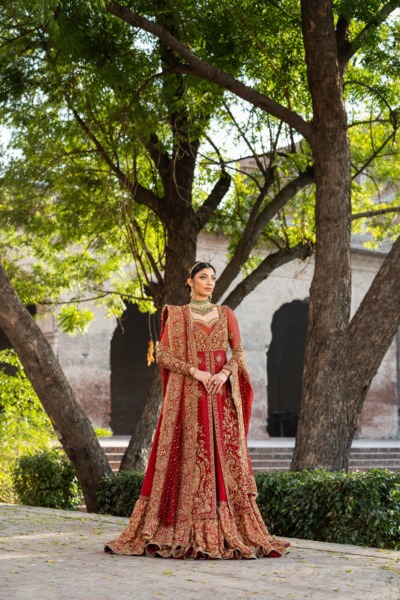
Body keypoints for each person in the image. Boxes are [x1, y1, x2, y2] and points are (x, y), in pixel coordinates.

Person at [105, 261, 289, 559]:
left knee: (220, 459)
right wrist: (196, 372)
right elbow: (163, 354)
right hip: (188, 399)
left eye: (213, 278)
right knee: (187, 456)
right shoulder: (177, 316)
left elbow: (239, 353)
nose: (209, 282)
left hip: (219, 399)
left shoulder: (226, 314)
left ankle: (225, 529)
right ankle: (181, 530)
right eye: (203, 277)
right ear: (189, 281)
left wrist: (222, 374)